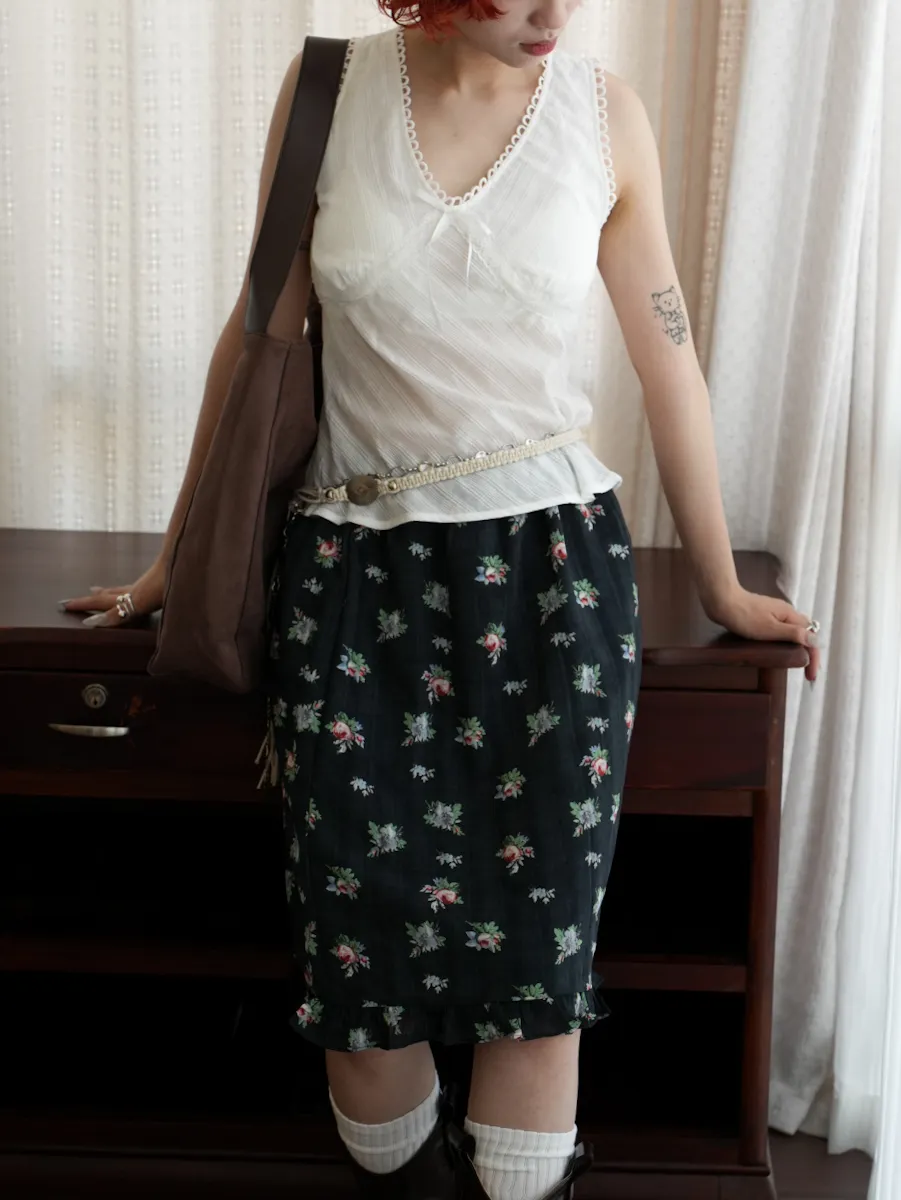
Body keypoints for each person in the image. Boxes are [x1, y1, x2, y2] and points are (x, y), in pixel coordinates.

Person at [63, 2, 821, 1197]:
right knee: (358, 972)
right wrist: (175, 563)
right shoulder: (326, 95)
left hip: (554, 586)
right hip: (353, 579)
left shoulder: (604, 117)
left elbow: (667, 355)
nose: (553, 15)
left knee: (537, 970)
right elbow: (257, 338)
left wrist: (721, 578)